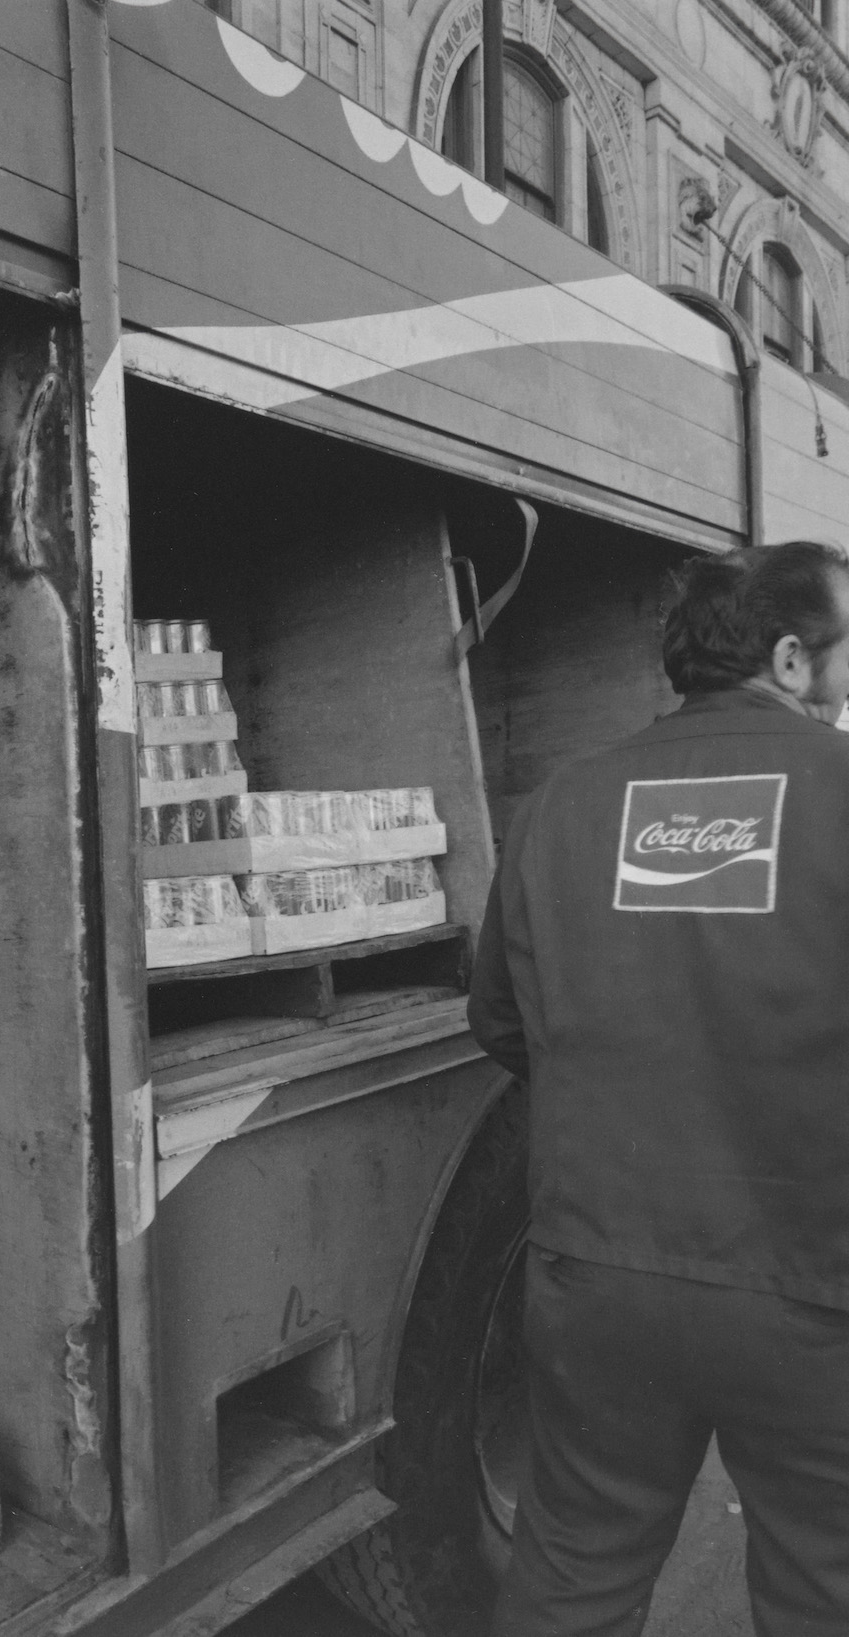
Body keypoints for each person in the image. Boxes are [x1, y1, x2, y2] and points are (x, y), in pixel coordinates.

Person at [468, 540, 849, 1637]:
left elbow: (499, 1018)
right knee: (824, 1584)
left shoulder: (559, 804)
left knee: (571, 1571)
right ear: (789, 656)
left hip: (596, 1277)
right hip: (810, 1285)